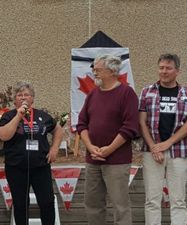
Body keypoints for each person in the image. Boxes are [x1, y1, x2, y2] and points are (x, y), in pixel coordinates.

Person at [77, 54, 139, 225]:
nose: (94, 73)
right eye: (94, 69)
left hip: (117, 161)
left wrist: (109, 149)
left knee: (120, 206)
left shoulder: (127, 93)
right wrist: (90, 147)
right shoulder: (92, 95)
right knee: (92, 204)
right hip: (93, 160)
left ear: (112, 71)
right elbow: (82, 124)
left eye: (98, 70)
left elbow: (130, 127)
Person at [139, 53, 187, 225]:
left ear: (177, 71)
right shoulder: (147, 92)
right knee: (152, 199)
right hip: (152, 153)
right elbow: (141, 122)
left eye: (168, 68)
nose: (164, 71)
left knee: (178, 200)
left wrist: (166, 144)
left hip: (178, 151)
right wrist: (153, 147)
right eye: (161, 67)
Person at [0, 81, 63, 225]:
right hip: (16, 167)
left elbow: (58, 129)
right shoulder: (8, 116)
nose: (23, 98)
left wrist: (54, 149)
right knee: (21, 204)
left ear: (32, 98)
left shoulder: (42, 116)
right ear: (15, 99)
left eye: (26, 95)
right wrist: (18, 116)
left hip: (41, 166)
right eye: (19, 95)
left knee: (46, 202)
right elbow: (3, 136)